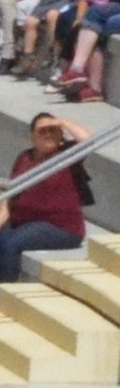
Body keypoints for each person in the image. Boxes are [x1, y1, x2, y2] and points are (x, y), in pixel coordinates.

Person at [0, 113, 86, 281]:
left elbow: (88, 140)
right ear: (33, 136)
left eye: (52, 130)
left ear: (60, 134)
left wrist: (63, 121)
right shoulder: (24, 157)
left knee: (11, 244)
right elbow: (10, 198)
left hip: (59, 227)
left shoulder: (67, 155)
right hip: (24, 222)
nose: (48, 134)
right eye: (42, 131)